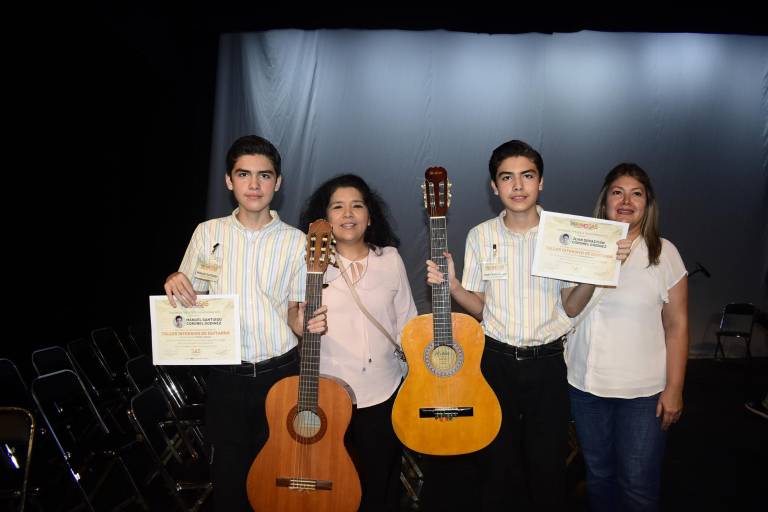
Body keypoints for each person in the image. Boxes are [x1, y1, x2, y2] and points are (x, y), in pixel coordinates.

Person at [426, 140, 630, 511]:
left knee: (547, 466)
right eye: (507, 177)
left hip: (548, 364)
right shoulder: (480, 236)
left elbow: (571, 306)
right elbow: (481, 308)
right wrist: (454, 287)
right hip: (494, 363)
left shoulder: (563, 234)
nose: (518, 186)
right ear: (494, 186)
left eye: (527, 176)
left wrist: (597, 269)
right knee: (496, 463)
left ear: (541, 182)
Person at [163, 135, 326, 511]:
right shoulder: (207, 233)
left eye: (264, 175)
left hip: (280, 375)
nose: (254, 185)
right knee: (230, 483)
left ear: (278, 182)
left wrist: (306, 323)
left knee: (279, 481)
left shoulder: (296, 241)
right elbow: (188, 302)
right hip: (226, 379)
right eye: (243, 174)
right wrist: (175, 281)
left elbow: (294, 315)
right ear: (228, 180)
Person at [565, 163, 689, 512]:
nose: (626, 201)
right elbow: (568, 309)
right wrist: (599, 261)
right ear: (605, 200)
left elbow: (677, 326)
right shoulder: (580, 248)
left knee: (638, 483)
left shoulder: (664, 253)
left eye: (636, 194)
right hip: (586, 389)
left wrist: (675, 388)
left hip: (643, 395)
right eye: (617, 192)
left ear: (648, 204)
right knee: (599, 476)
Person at [299, 174, 418, 512]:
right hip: (327, 396)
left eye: (357, 206)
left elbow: (407, 323)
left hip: (384, 391)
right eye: (337, 207)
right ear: (324, 218)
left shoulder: (390, 259)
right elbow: (292, 318)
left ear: (370, 216)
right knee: (331, 486)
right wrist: (299, 322)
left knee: (380, 485)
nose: (348, 214)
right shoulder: (310, 264)